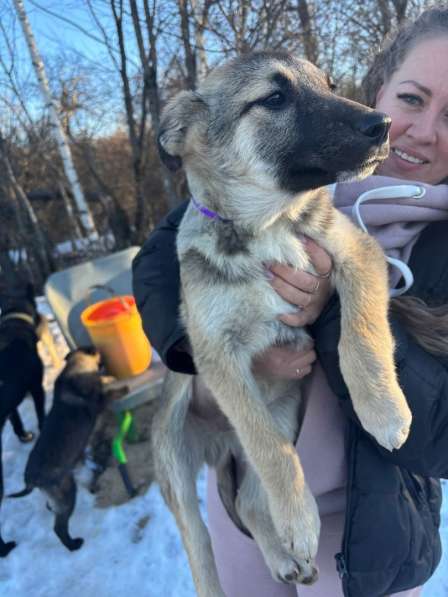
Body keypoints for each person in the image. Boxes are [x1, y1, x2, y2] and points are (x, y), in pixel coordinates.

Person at [132, 7, 448, 597]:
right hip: (250, 495)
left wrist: (333, 315)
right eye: (410, 98)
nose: (422, 130)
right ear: (378, 90)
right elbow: (163, 249)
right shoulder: (297, 189)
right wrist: (189, 356)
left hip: (366, 534)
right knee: (170, 438)